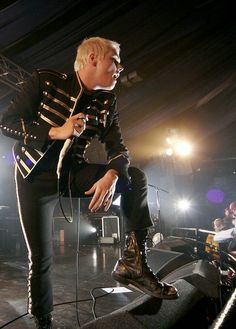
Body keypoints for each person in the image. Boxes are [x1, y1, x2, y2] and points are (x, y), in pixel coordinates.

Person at [0, 37, 178, 329]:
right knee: (41, 258)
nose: (120, 68)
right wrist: (57, 131)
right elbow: (8, 122)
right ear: (93, 57)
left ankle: (133, 264)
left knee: (135, 177)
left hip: (72, 173)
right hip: (32, 177)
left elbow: (119, 149)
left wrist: (111, 174)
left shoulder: (107, 101)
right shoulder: (46, 80)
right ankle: (43, 321)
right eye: (115, 60)